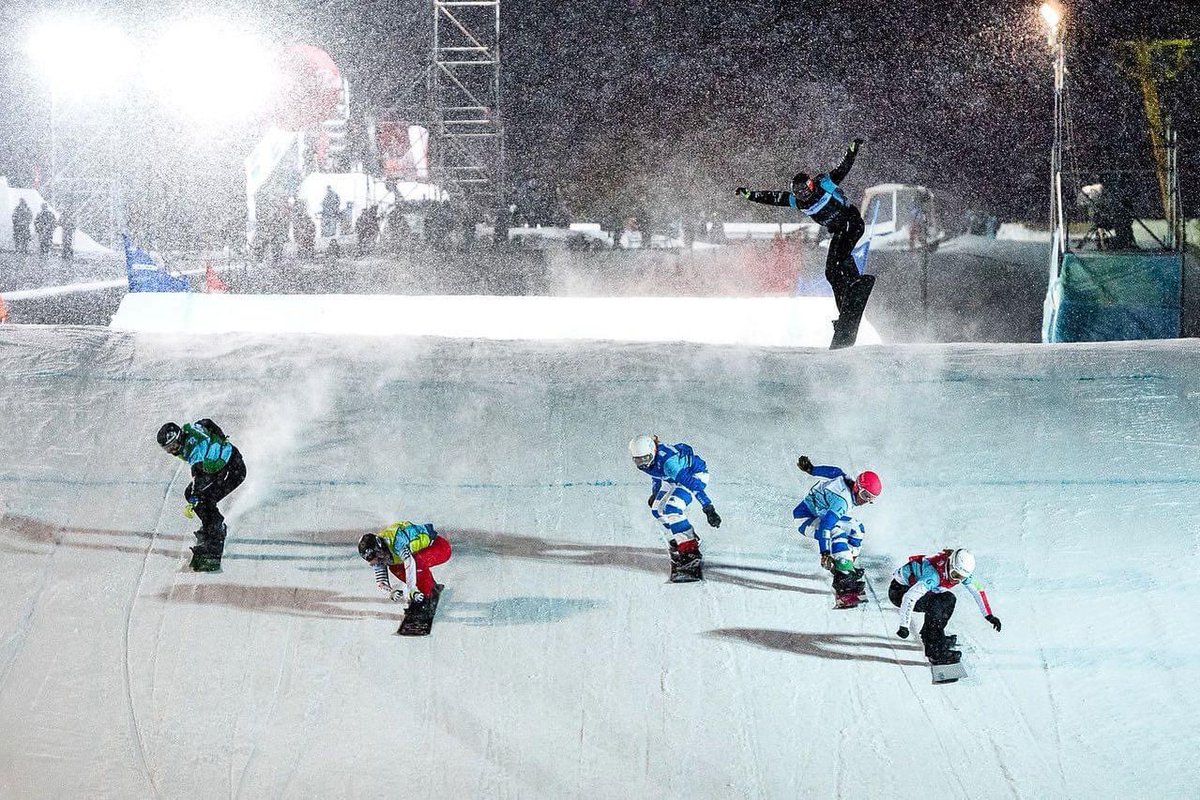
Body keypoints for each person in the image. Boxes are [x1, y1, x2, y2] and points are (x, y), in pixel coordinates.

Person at [736, 138, 867, 326]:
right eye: (800, 193)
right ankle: (845, 313)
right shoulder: (797, 202)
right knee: (831, 272)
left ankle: (855, 282)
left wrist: (852, 150)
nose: (805, 195)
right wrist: (751, 195)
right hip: (839, 231)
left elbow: (843, 168)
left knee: (841, 258)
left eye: (807, 189)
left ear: (811, 184)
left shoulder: (824, 184)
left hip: (852, 223)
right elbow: (774, 198)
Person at [157, 419, 247, 572]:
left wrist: (193, 499)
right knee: (199, 498)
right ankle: (212, 527)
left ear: (179, 437)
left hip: (233, 471)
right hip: (221, 466)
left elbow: (199, 477)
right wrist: (221, 437)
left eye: (173, 446)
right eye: (168, 449)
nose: (172, 451)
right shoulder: (190, 429)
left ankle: (215, 536)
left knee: (203, 500)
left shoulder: (194, 450)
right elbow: (206, 422)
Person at [628, 434, 721, 576]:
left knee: (672, 509)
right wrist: (655, 492)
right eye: (638, 460)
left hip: (694, 476)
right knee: (657, 510)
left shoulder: (669, 463)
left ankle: (690, 552)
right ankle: (683, 538)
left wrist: (708, 508)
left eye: (645, 459)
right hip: (671, 477)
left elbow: (693, 485)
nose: (643, 463)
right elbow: (656, 474)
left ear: (652, 451)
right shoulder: (650, 458)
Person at [890, 548, 1002, 665]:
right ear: (950, 565)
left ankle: (933, 637)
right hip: (899, 592)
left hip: (916, 589)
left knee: (949, 599)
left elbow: (978, 590)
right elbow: (909, 597)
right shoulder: (933, 575)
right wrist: (904, 625)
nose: (955, 580)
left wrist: (989, 615)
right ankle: (935, 652)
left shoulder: (959, 570)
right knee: (937, 603)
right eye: (954, 575)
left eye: (961, 578)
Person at [793, 455, 881, 603]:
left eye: (870, 499)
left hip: (819, 514)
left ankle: (846, 566)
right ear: (857, 487)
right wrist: (825, 553)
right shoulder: (842, 501)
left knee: (857, 528)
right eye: (865, 495)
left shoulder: (847, 480)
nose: (865, 501)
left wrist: (811, 469)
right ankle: (844, 583)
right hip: (805, 519)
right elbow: (826, 528)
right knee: (837, 533)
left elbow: (834, 471)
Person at [358, 522, 451, 614]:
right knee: (395, 567)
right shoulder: (378, 554)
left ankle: (428, 596)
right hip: (426, 551)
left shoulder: (396, 542)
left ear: (380, 548)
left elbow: (410, 563)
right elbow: (381, 581)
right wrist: (390, 592)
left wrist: (412, 590)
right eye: (373, 561)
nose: (378, 562)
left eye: (378, 557)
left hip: (440, 547)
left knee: (416, 563)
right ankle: (430, 587)